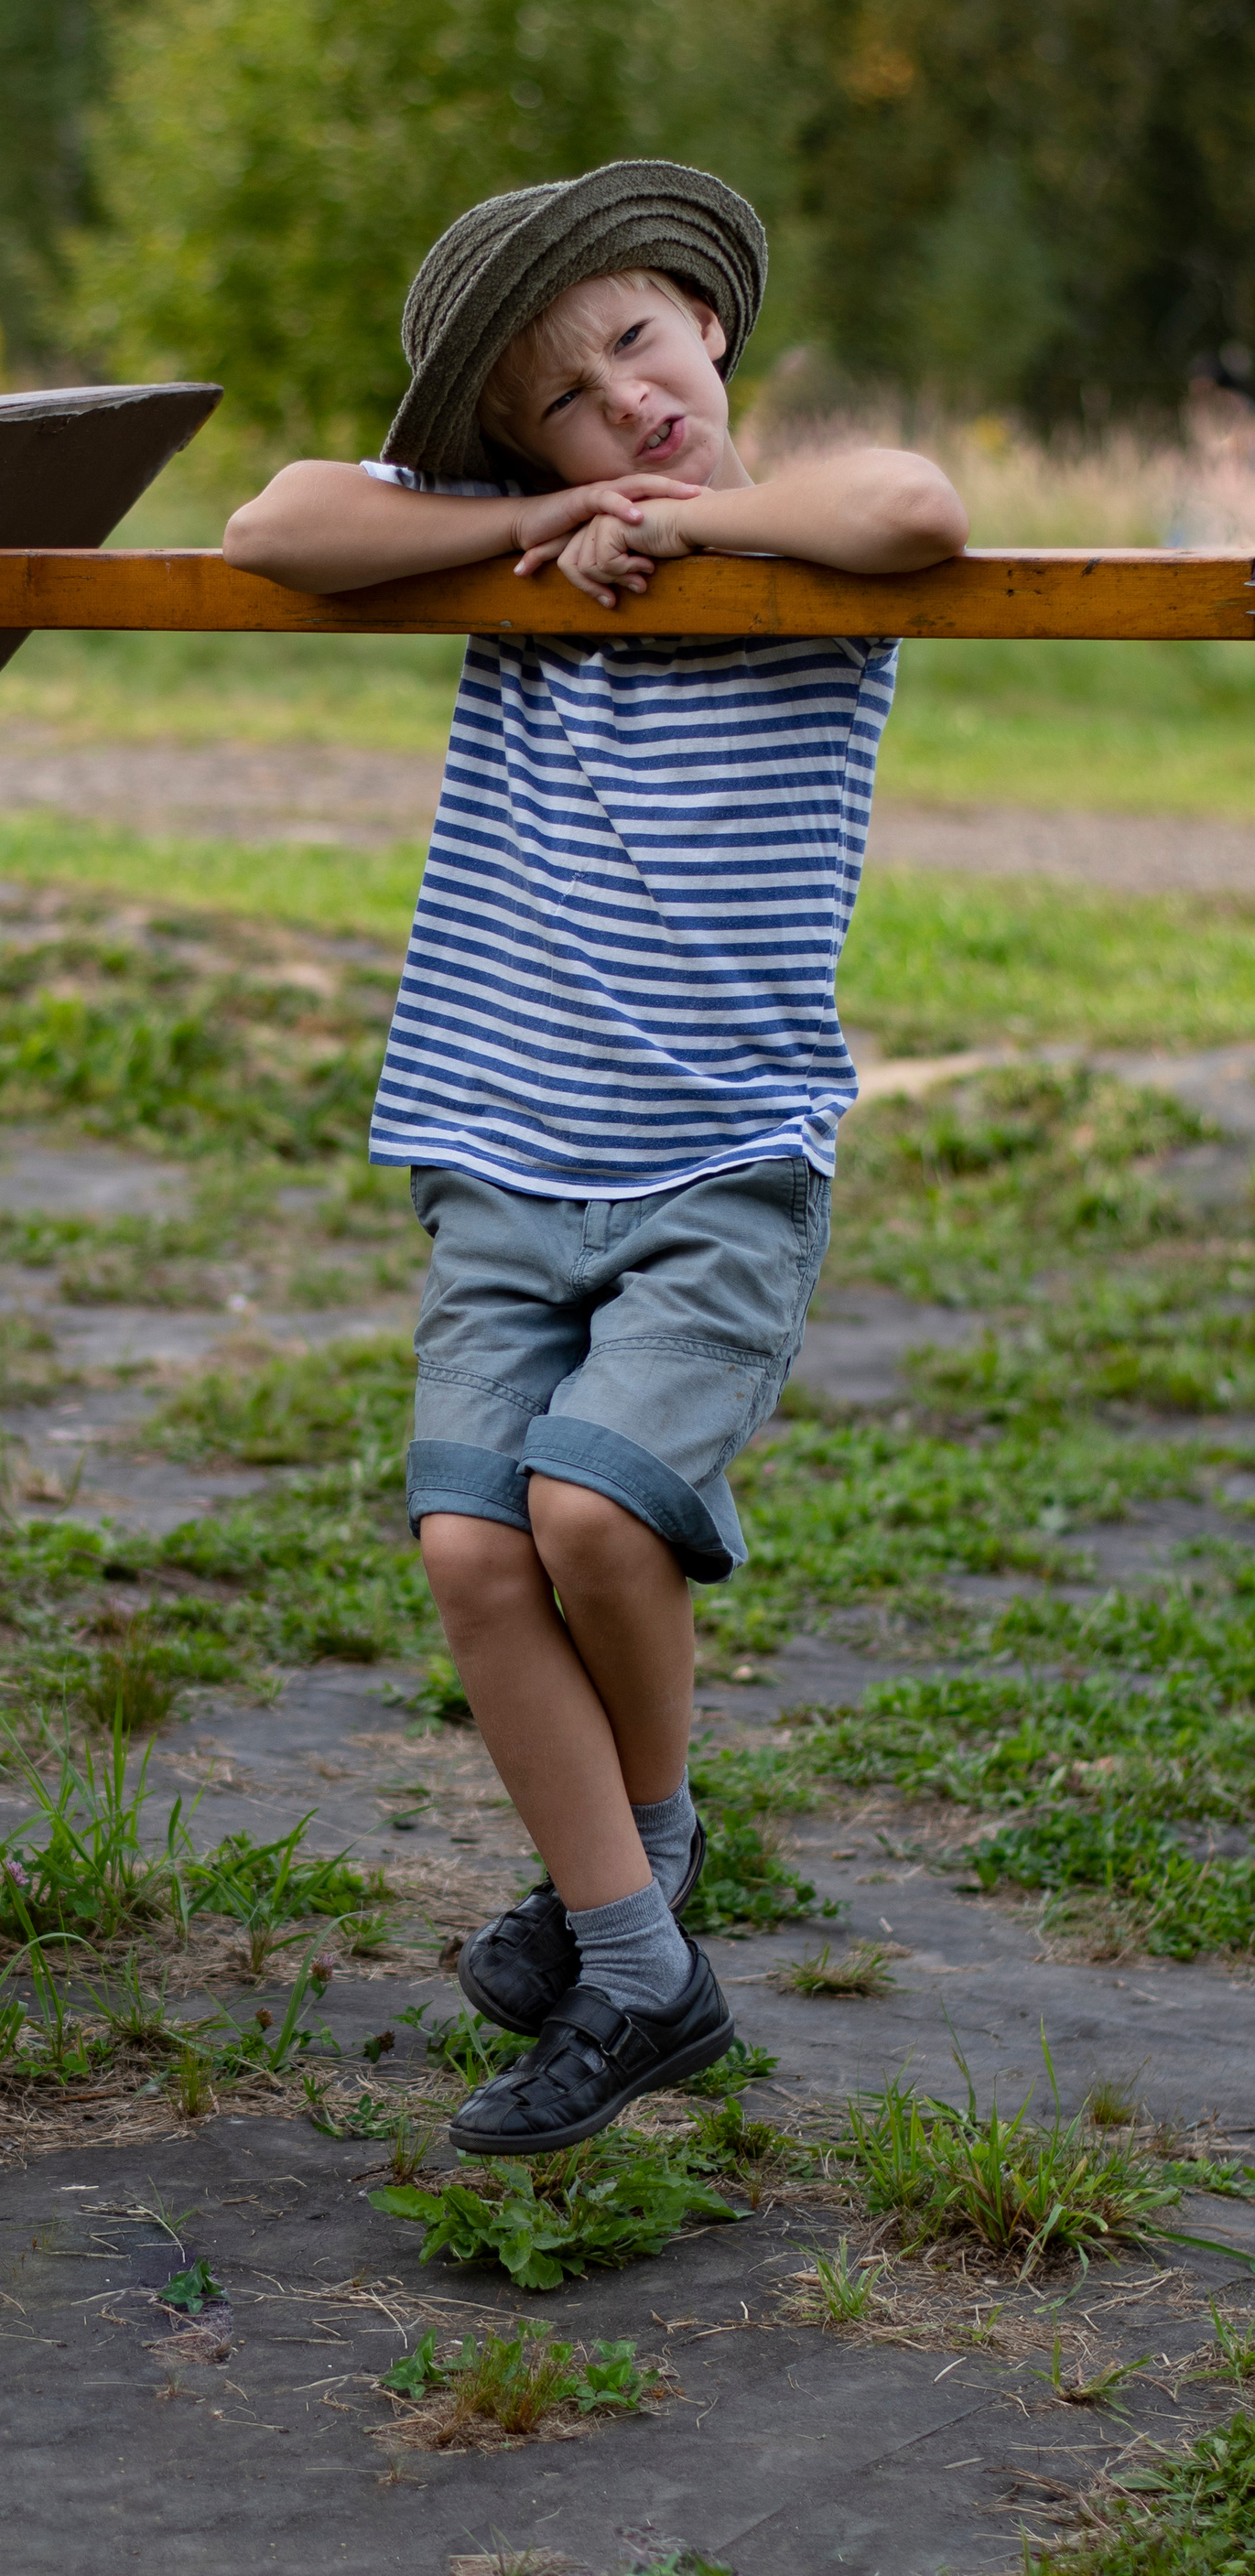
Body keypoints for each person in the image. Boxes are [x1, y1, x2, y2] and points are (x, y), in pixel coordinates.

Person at [222, 162, 968, 2152]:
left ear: (706, 324)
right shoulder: (512, 563)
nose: (623, 401)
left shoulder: (796, 558)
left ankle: (637, 1878)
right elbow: (270, 523)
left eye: (637, 342)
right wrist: (527, 529)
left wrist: (680, 520)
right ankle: (641, 1960)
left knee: (594, 1518)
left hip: (716, 1165)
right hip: (499, 1153)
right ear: (513, 449)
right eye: (562, 399)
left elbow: (915, 506)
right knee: (475, 1545)